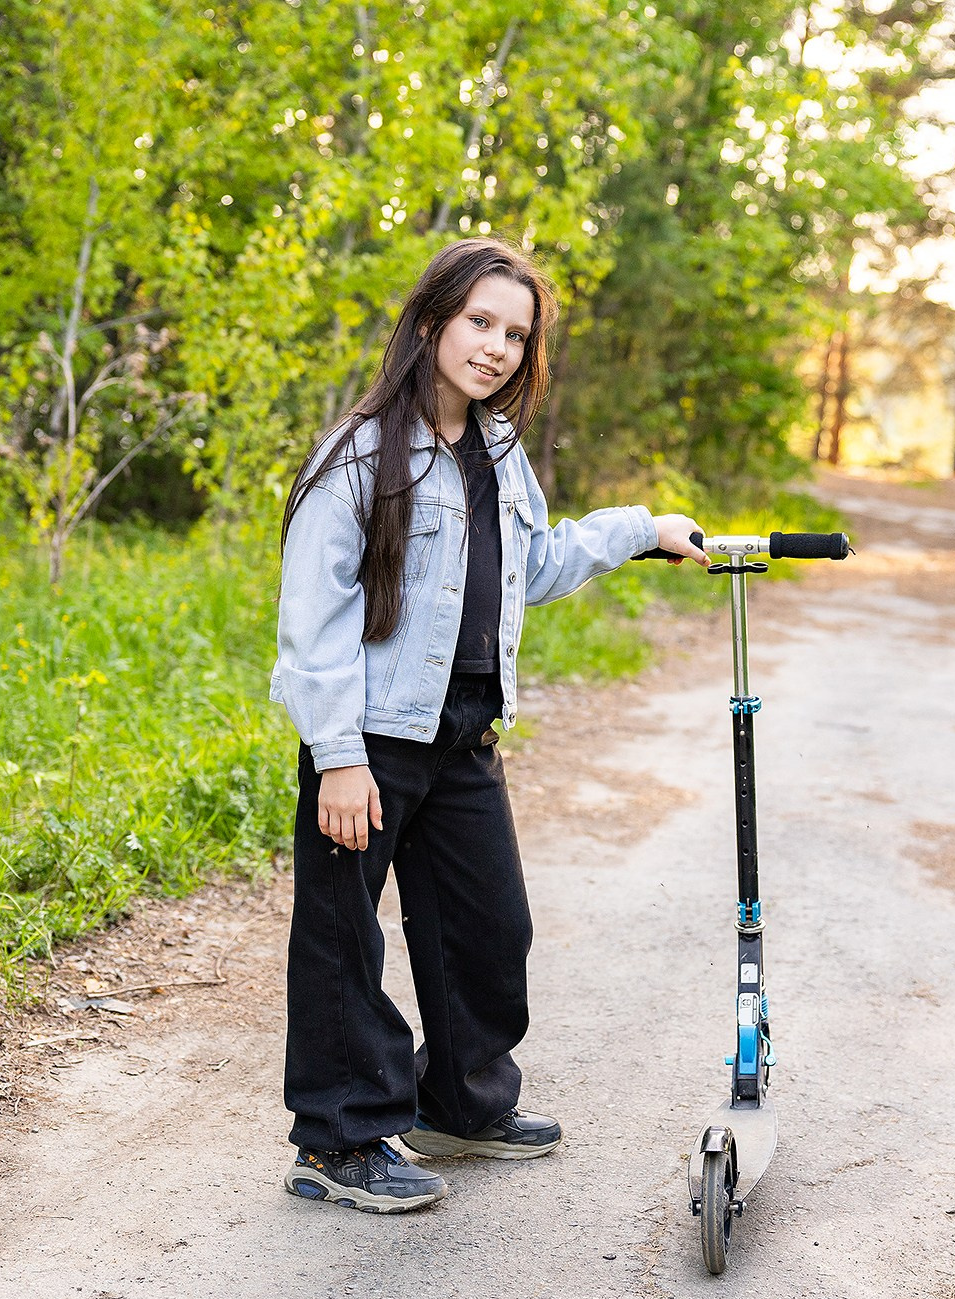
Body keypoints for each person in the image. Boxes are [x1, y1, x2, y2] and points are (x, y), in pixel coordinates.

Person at [270, 237, 707, 1213]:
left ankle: (458, 1105)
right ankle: (336, 1143)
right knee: (343, 939)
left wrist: (638, 529)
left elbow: (532, 566)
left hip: (462, 731)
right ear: (430, 322)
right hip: (370, 739)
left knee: (489, 928)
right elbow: (312, 620)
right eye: (480, 322)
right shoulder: (358, 453)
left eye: (516, 332)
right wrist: (337, 757)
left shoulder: (498, 452)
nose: (497, 345)